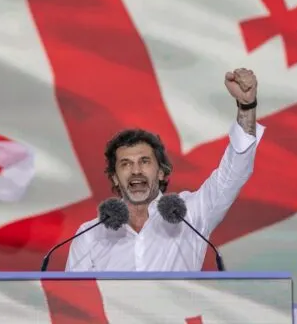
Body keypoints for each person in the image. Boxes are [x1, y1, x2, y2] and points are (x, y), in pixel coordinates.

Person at [66, 68, 264, 271]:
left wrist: (247, 107)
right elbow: (70, 292)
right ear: (115, 178)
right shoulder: (90, 235)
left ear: (161, 172)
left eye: (144, 161)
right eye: (125, 164)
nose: (136, 170)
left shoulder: (191, 215)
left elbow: (233, 174)